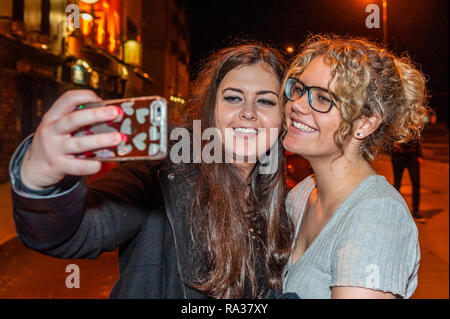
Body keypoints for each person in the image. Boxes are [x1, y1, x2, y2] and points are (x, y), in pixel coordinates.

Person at [9, 43, 294, 299]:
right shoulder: (164, 172)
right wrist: (40, 186)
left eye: (266, 101)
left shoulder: (284, 203)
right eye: (233, 98)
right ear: (211, 110)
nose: (248, 112)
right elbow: (76, 232)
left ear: (283, 119)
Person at [280, 34, 429, 299]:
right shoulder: (300, 196)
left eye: (323, 98)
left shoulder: (378, 215)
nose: (296, 104)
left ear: (365, 124)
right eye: (299, 89)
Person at [391, 140, 425, 223]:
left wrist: (419, 154)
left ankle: (416, 211)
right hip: (398, 154)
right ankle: (396, 211)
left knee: (416, 182)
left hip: (412, 154)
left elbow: (417, 135)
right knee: (397, 183)